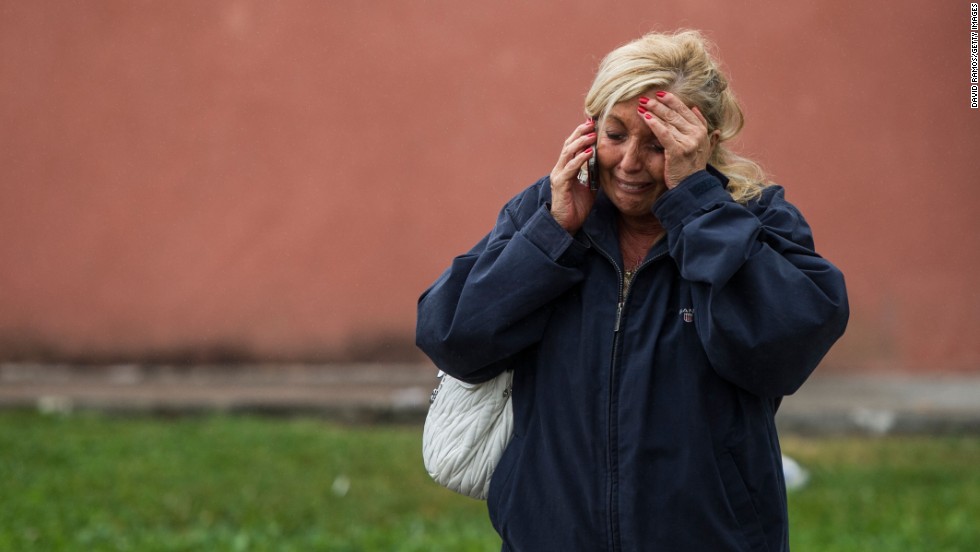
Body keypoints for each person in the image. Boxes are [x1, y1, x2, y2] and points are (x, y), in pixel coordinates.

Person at [416, 29, 848, 552]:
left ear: (704, 139)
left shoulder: (752, 219)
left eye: (658, 143)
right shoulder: (549, 211)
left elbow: (784, 349)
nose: (629, 163)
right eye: (615, 135)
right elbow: (453, 336)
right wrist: (550, 237)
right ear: (589, 129)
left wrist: (697, 209)